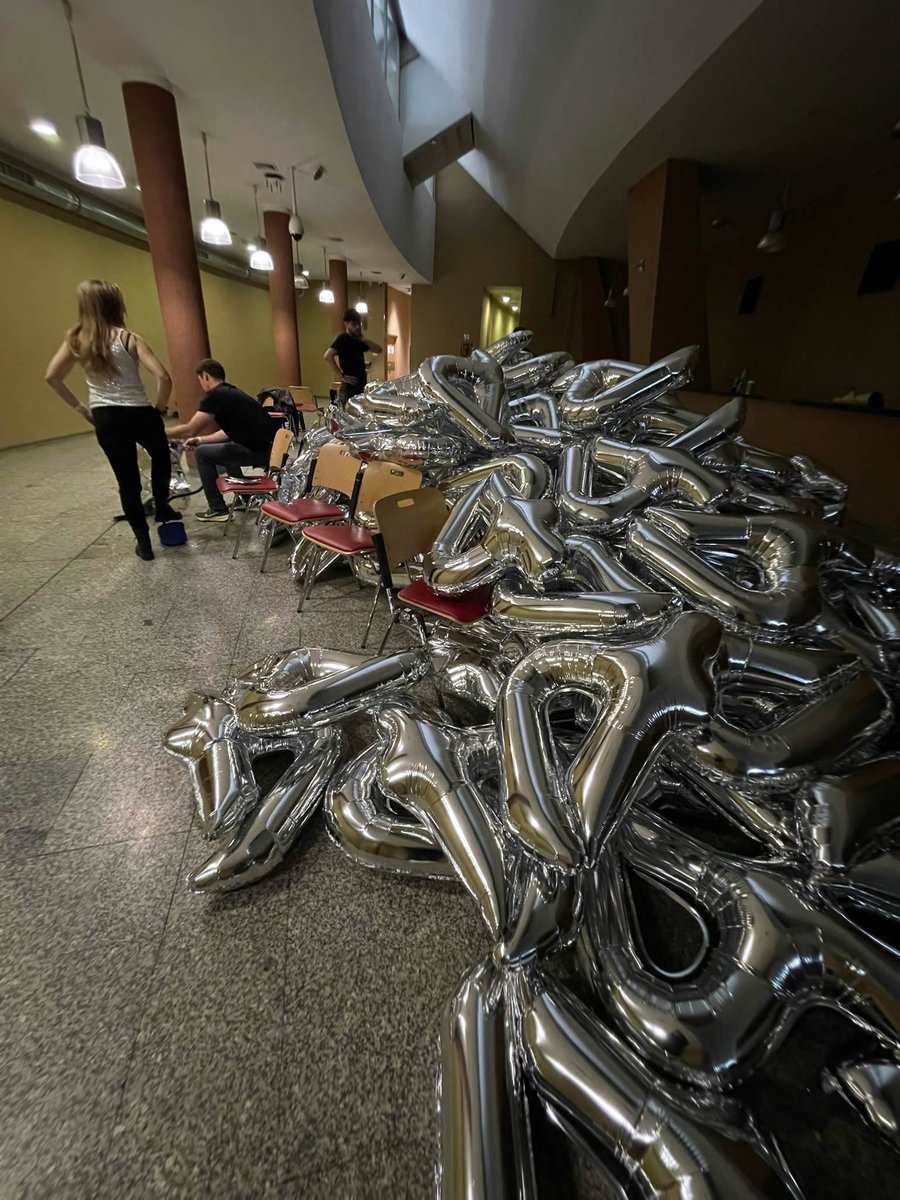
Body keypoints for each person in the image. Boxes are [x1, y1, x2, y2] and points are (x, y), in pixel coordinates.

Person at [45, 279, 176, 561]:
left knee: (127, 481)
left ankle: (144, 543)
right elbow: (163, 377)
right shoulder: (129, 338)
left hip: (106, 416)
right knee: (162, 459)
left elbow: (52, 377)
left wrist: (83, 410)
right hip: (140, 411)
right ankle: (162, 504)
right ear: (116, 305)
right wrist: (160, 409)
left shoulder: (77, 340)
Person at [167, 360, 278, 522]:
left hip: (260, 451)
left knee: (202, 454)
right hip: (270, 448)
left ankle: (218, 509)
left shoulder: (215, 396)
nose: (200, 385)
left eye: (199, 380)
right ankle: (244, 498)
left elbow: (190, 428)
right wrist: (200, 439)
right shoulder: (231, 392)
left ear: (205, 376)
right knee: (225, 449)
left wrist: (158, 432)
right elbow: (227, 433)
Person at [324, 309, 382, 403]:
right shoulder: (342, 339)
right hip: (349, 387)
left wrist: (363, 340)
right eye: (354, 325)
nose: (357, 327)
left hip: (361, 385)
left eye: (359, 324)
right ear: (346, 324)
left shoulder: (358, 341)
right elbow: (327, 356)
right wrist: (341, 376)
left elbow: (378, 349)